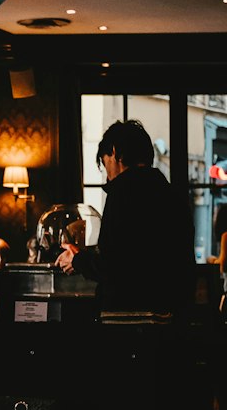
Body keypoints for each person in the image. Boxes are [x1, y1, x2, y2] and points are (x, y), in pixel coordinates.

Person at [56, 118, 195, 316]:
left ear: (114, 152)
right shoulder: (172, 194)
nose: (107, 177)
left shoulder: (122, 191)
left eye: (104, 165)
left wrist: (77, 260)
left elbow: (116, 265)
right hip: (172, 315)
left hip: (131, 317)